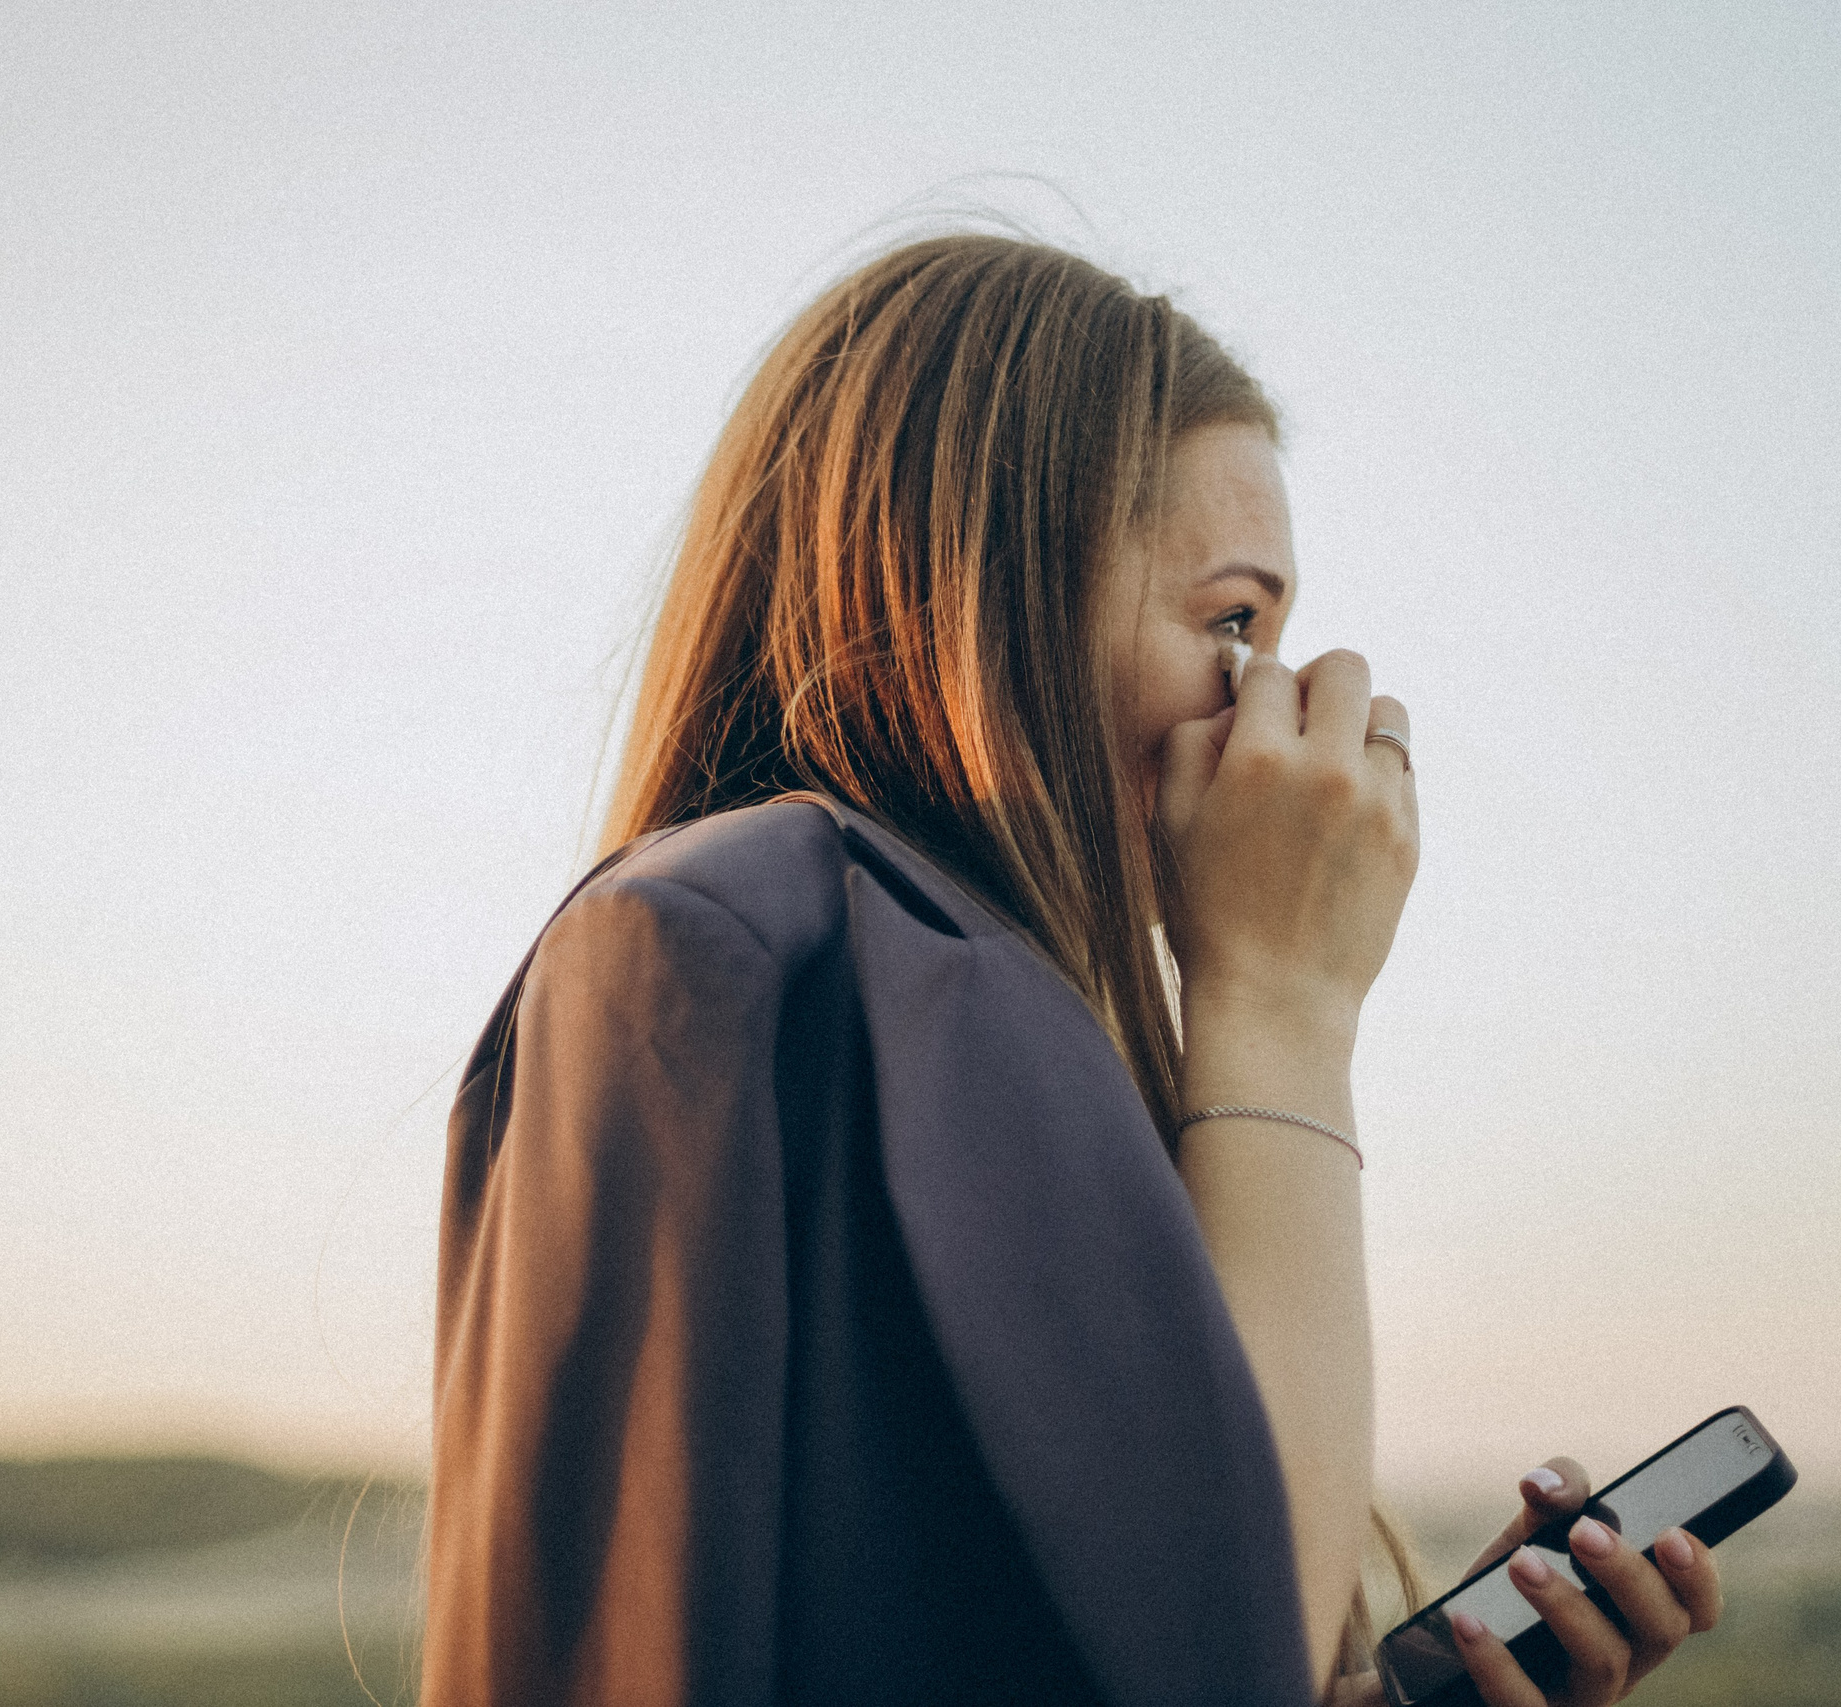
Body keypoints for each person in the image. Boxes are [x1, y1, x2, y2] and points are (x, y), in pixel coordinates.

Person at [421, 234, 1722, 1706]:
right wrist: (1285, 1005)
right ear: (996, 594)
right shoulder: (746, 943)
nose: (1272, 707)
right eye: (1234, 623)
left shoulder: (954, 1005)